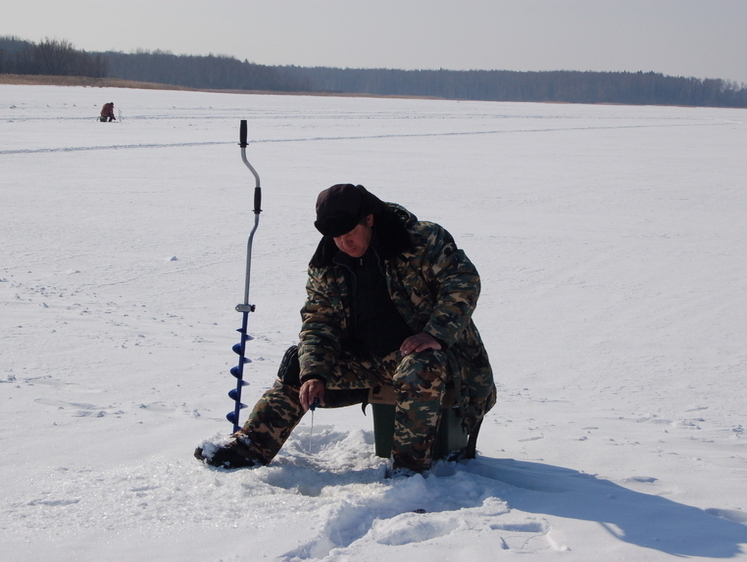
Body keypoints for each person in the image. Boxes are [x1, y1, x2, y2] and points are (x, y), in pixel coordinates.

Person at [195, 184, 495, 474]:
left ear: (369, 219)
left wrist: (436, 334)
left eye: (350, 233)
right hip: (368, 361)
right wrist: (313, 373)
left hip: (443, 358)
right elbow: (318, 322)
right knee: (299, 364)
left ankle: (409, 468)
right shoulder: (327, 263)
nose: (344, 243)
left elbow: (463, 282)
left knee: (420, 365)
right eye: (336, 237)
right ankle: (250, 446)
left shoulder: (420, 239)